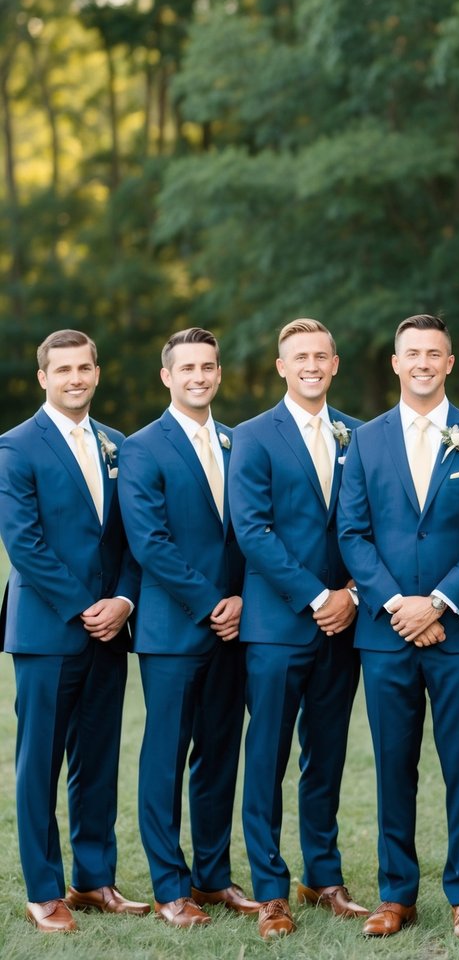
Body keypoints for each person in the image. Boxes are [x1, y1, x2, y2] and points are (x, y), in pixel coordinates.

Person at [337, 314, 459, 941]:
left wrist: (436, 603)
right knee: (393, 764)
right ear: (395, 362)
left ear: (450, 362)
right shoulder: (365, 440)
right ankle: (396, 894)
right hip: (386, 636)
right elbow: (352, 533)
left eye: (434, 353)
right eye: (412, 353)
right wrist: (395, 606)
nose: (422, 363)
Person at [0, 329, 147, 933]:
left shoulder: (117, 444)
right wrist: (87, 606)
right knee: (41, 761)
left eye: (85, 368)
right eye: (63, 370)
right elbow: (25, 543)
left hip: (111, 629)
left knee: (98, 759)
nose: (76, 378)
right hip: (48, 630)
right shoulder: (15, 446)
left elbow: (136, 536)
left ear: (97, 372)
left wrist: (124, 601)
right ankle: (43, 889)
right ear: (44, 378)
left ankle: (93, 880)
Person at [228, 318, 366, 940]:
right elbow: (253, 531)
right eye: (298, 357)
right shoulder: (254, 437)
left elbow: (374, 527)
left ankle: (324, 876)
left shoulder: (359, 435)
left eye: (320, 355)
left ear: (334, 364)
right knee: (268, 756)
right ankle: (270, 890)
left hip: (345, 624)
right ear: (280, 366)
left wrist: (353, 595)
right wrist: (317, 596)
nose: (311, 364)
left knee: (327, 754)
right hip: (278, 627)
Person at [118, 327, 254, 928]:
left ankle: (213, 878)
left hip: (234, 629)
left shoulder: (235, 441)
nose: (199, 376)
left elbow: (248, 531)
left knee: (220, 753)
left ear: (218, 374)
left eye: (208, 366)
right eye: (187, 368)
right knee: (166, 756)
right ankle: (170, 887)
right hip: (174, 629)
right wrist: (212, 603)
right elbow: (150, 541)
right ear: (167, 377)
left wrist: (242, 601)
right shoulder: (142, 447)